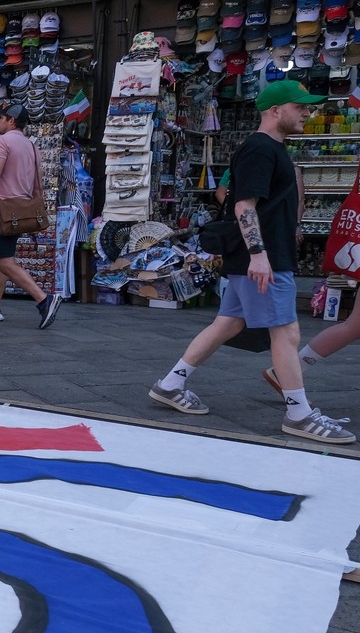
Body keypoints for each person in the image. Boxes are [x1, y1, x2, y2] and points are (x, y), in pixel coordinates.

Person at [149, 79, 353, 445]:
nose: (307, 113)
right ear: (276, 110)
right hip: (263, 259)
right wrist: (259, 256)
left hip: (258, 257)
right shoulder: (261, 148)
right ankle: (299, 414)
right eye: (300, 106)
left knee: (227, 323)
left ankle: (170, 384)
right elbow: (244, 205)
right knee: (287, 333)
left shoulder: (269, 148)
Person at [0, 103, 61, 329]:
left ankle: (44, 300)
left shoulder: (2, 141)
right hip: (21, 209)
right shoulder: (31, 146)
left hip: (4, 209)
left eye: (2, 118)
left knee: (4, 260)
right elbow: (38, 183)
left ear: (11, 121)